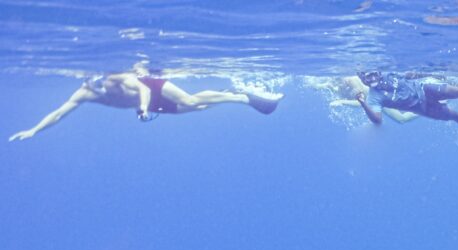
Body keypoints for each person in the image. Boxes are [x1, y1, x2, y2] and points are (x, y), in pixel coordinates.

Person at [9, 63, 282, 141]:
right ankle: (229, 94)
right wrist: (34, 130)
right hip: (148, 107)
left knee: (188, 98)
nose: (96, 82)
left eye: (96, 78)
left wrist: (141, 107)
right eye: (90, 80)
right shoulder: (85, 94)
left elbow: (142, 88)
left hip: (151, 88)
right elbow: (59, 114)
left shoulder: (116, 77)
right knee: (197, 106)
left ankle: (244, 98)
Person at [354, 71, 458, 138]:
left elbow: (411, 75)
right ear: (363, 80)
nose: (372, 79)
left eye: (372, 75)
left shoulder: (389, 73)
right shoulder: (374, 97)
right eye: (367, 79)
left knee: (455, 90)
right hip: (423, 108)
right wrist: (362, 102)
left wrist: (433, 73)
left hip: (425, 90)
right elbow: (377, 120)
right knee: (456, 117)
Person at [330, 75, 419, 124]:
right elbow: (319, 85)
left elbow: (361, 102)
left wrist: (341, 102)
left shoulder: (352, 81)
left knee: (401, 118)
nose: (343, 81)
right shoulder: (333, 84)